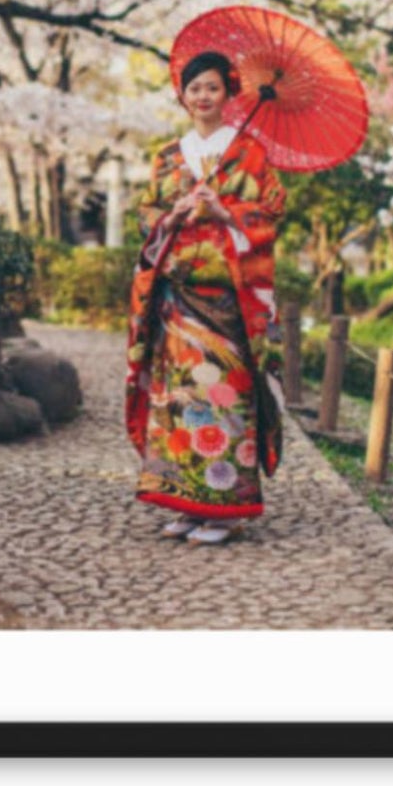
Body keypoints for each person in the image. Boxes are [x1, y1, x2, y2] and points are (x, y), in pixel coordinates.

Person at [124, 50, 288, 542]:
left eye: (212, 87)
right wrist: (171, 217)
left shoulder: (249, 152)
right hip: (176, 298)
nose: (203, 97)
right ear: (183, 94)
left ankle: (226, 507)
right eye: (194, 88)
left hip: (228, 301)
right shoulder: (168, 156)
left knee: (222, 396)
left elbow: (273, 212)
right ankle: (188, 500)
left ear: (229, 93)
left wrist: (225, 213)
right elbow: (146, 214)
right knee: (178, 398)